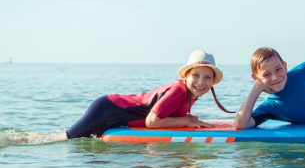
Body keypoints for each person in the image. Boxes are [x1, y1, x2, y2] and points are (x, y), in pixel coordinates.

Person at [64, 50, 230, 139]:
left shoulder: (189, 94)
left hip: (115, 115)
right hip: (107, 109)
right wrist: (185, 120)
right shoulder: (179, 90)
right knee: (68, 139)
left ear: (213, 82)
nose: (201, 82)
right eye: (196, 75)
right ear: (185, 77)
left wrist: (186, 119)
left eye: (207, 77)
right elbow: (151, 122)